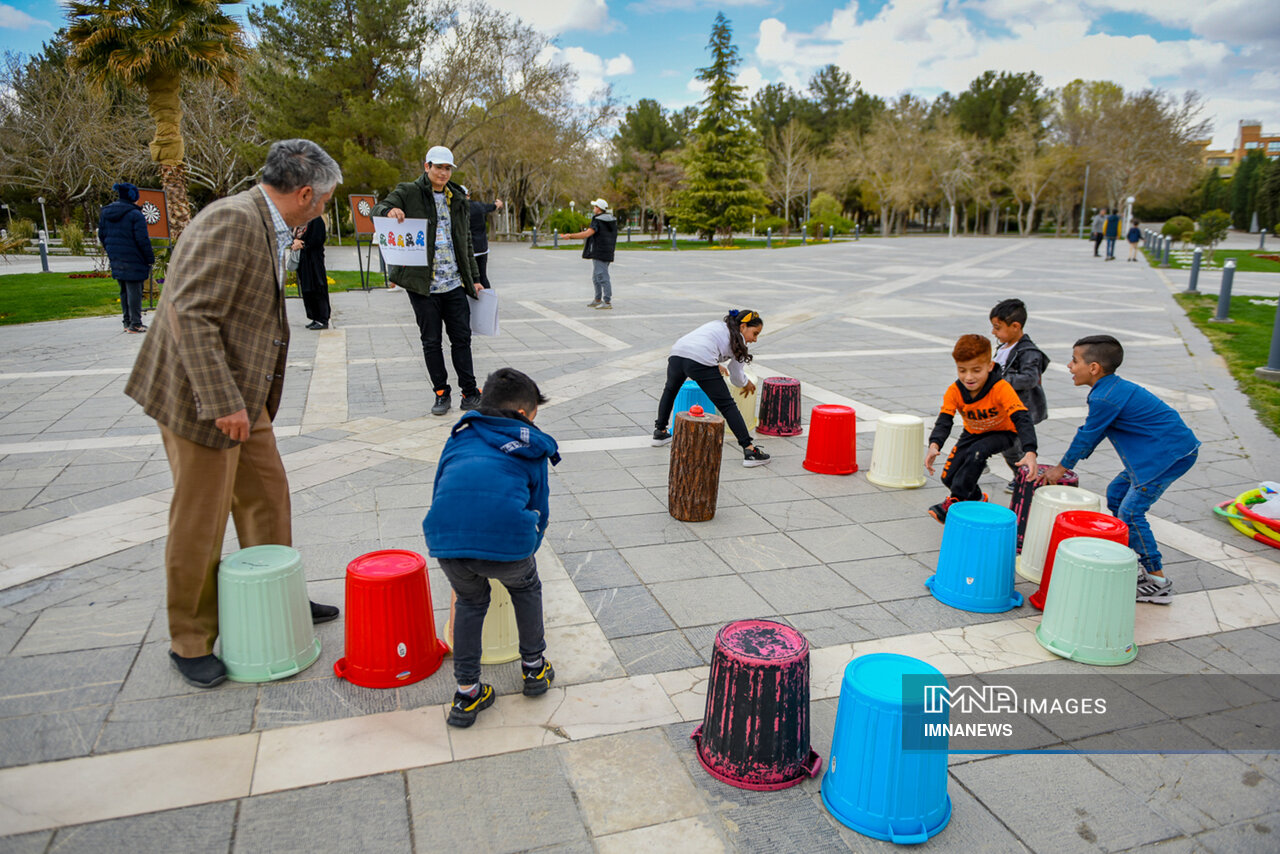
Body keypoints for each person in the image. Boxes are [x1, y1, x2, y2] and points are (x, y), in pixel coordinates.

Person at [124, 139, 342, 689]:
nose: (326, 209)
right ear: (305, 193)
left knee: (267, 494)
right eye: (326, 200)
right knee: (201, 517)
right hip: (201, 396)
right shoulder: (233, 219)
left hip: (241, 391)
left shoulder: (264, 222)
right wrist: (222, 403)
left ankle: (276, 591)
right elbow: (190, 314)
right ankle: (190, 639)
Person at [424, 367, 560, 727]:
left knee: (470, 602)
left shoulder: (460, 434)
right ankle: (534, 669)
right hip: (508, 541)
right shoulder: (530, 442)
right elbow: (540, 505)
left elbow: (441, 487)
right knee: (526, 587)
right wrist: (531, 543)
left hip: (445, 540)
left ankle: (467, 694)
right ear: (523, 413)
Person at [1042, 335, 1199, 604]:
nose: (1069, 366)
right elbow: (1096, 432)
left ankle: (1159, 582)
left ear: (1094, 368)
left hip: (1166, 457)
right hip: (1159, 453)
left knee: (1131, 512)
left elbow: (1087, 436)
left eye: (1074, 360)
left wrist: (1061, 468)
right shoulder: (1111, 389)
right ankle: (1130, 560)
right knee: (1115, 493)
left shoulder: (1105, 397)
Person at [375, 145, 484, 417]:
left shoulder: (457, 197)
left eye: (447, 168)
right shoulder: (410, 192)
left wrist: (475, 278)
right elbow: (378, 208)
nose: (443, 173)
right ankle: (440, 392)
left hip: (454, 283)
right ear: (427, 167)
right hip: (424, 286)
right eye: (438, 167)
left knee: (462, 339)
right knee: (431, 341)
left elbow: (465, 240)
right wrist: (390, 212)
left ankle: (469, 392)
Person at [925, 334, 1038, 523]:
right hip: (972, 433)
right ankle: (976, 497)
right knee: (949, 477)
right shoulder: (954, 391)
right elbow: (945, 420)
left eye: (976, 370)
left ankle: (954, 502)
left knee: (978, 453)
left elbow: (1022, 417)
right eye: (962, 370)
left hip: (1003, 433)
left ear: (990, 366)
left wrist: (1030, 450)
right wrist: (934, 444)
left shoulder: (1001, 388)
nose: (968, 377)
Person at [652, 310, 771, 468]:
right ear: (743, 327)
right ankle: (750, 451)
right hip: (700, 359)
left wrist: (714, 363)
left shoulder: (718, 325)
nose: (755, 339)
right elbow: (736, 377)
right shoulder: (740, 343)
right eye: (755, 333)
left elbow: (702, 342)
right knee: (727, 405)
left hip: (678, 353)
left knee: (670, 390)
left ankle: (660, 432)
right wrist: (745, 383)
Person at [989, 298, 1049, 493]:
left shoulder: (1029, 352)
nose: (993, 333)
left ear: (1015, 326)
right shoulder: (1004, 347)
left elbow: (1030, 379)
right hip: (1003, 408)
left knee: (1013, 449)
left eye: (997, 328)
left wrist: (1001, 379)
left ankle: (1025, 478)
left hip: (1020, 410)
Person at [98, 181, 155, 334]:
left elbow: (102, 235)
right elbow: (142, 239)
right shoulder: (135, 214)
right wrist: (150, 258)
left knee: (124, 290)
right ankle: (135, 323)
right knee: (135, 290)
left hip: (116, 256)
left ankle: (127, 321)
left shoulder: (106, 213)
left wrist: (111, 250)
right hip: (134, 257)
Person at [560, 198, 617, 309]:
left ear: (599, 209)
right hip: (608, 251)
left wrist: (570, 236)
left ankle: (607, 301)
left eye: (595, 206)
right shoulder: (611, 220)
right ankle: (597, 299)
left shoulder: (598, 220)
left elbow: (587, 234)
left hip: (599, 251)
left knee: (602, 276)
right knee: (596, 276)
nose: (593, 208)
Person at [293, 215, 330, 329]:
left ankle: (322, 319)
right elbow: (293, 235)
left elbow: (318, 239)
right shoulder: (299, 221)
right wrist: (295, 241)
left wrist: (302, 244)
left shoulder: (316, 220)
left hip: (314, 260)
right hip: (303, 261)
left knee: (318, 286)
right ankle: (314, 317)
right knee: (307, 288)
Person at [464, 186, 502, 290]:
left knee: (469, 277)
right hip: (482, 248)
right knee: (482, 276)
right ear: (468, 195)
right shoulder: (478, 206)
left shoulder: (457, 208)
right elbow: (492, 207)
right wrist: (497, 203)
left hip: (468, 249)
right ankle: (488, 300)